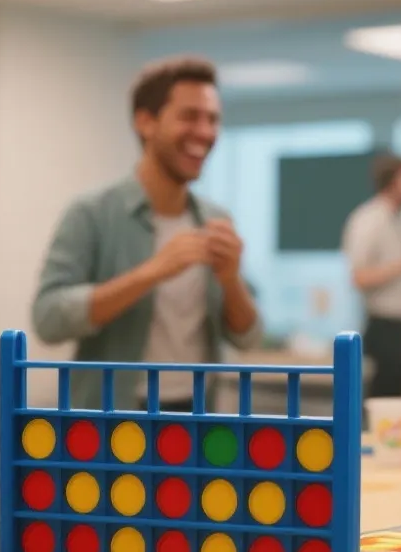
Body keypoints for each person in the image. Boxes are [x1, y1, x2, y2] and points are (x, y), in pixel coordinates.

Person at [32, 56, 261, 409]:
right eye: (189, 116)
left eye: (213, 119)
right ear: (145, 122)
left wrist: (231, 281)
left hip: (197, 415)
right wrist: (150, 272)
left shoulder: (216, 220)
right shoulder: (92, 213)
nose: (205, 132)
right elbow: (48, 318)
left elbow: (248, 337)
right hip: (114, 416)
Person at [342, 153, 401, 398]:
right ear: (396, 180)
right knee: (383, 405)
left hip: (400, 328)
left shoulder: (395, 220)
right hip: (383, 330)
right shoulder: (369, 219)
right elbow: (359, 277)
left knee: (398, 404)